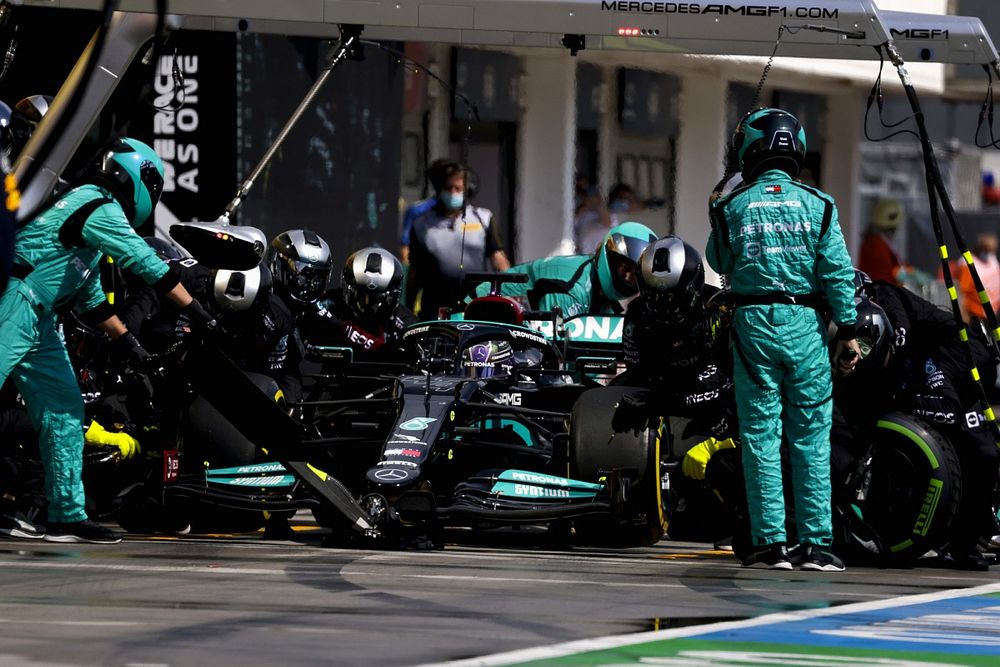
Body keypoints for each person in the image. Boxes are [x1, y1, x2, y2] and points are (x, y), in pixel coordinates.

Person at [0, 137, 212, 543]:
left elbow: (92, 300)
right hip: (12, 301)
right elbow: (144, 259)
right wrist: (198, 311)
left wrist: (132, 346)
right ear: (139, 177)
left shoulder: (91, 227)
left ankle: (66, 515)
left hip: (38, 319)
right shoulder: (97, 203)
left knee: (65, 412)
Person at [707, 107, 860, 572]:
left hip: (752, 323)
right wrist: (849, 331)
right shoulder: (821, 204)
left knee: (759, 436)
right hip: (806, 326)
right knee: (811, 437)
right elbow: (837, 273)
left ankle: (770, 544)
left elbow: (720, 261)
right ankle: (816, 545)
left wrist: (719, 202)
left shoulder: (732, 204)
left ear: (750, 150)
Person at [834, 277, 999, 570]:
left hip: (955, 360)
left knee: (978, 447)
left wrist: (897, 405)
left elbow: (946, 409)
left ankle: (967, 538)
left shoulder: (904, 334)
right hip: (914, 355)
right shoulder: (855, 309)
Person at [472, 221, 656, 317]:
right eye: (625, 266)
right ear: (610, 255)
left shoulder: (601, 294)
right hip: (482, 309)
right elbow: (559, 350)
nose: (627, 275)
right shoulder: (572, 288)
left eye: (635, 273)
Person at [406, 160, 510, 319]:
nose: (453, 193)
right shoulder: (422, 224)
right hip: (434, 308)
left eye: (458, 188)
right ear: (440, 190)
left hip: (475, 306)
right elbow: (414, 269)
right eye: (448, 188)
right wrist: (409, 308)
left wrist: (512, 293)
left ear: (466, 190)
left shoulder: (483, 218)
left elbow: (498, 258)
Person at [314, 247, 416, 360]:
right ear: (346, 290)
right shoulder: (330, 303)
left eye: (376, 300)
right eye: (361, 297)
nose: (368, 306)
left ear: (393, 296)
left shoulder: (405, 320)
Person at [858, 198, 928, 286]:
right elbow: (886, 271)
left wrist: (910, 272)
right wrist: (905, 273)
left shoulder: (880, 242)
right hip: (879, 294)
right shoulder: (875, 245)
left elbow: (896, 265)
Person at [952, 232, 1000, 324]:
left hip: (993, 314)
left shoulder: (992, 259)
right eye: (986, 248)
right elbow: (961, 295)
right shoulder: (967, 265)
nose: (988, 252)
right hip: (976, 317)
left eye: (991, 249)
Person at [572, 175, 612, 255]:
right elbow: (568, 226)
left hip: (602, 254)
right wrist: (584, 207)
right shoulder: (580, 213)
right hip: (583, 255)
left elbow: (607, 222)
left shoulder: (606, 212)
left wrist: (597, 203)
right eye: (581, 191)